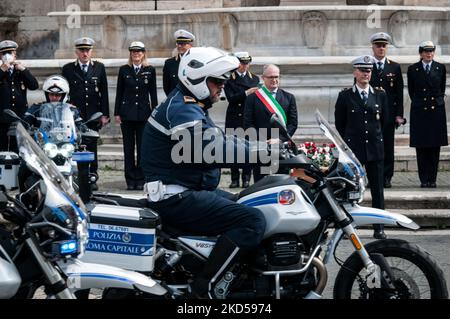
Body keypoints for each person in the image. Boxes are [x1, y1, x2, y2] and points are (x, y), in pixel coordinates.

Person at [141, 47, 267, 299]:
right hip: (177, 197)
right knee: (253, 221)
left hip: (186, 190)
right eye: (217, 81)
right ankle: (205, 287)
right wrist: (267, 155)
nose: (222, 87)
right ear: (197, 79)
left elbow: (220, 140)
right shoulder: (182, 109)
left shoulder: (190, 105)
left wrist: (262, 146)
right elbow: (210, 149)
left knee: (248, 200)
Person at [335, 55, 389, 239]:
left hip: (375, 150)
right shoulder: (345, 96)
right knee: (349, 190)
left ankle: (379, 227)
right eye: (362, 70)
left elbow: (385, 122)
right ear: (355, 72)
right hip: (354, 152)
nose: (366, 74)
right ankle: (347, 227)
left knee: (377, 190)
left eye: (369, 70)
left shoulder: (380, 95)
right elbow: (340, 124)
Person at [19, 75, 82, 192]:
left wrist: (84, 131)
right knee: (24, 166)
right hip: (43, 148)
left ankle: (85, 195)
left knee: (84, 167)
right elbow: (24, 122)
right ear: (46, 94)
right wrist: (24, 128)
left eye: (58, 95)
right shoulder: (36, 108)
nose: (54, 97)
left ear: (63, 96)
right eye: (51, 94)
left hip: (66, 147)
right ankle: (23, 196)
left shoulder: (72, 110)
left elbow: (81, 126)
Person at [62, 37, 110, 191]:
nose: (84, 53)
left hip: (93, 115)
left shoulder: (99, 68)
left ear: (91, 51)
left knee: (92, 146)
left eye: (87, 50)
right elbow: (64, 92)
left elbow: (104, 93)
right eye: (81, 50)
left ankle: (92, 176)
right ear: (76, 52)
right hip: (74, 115)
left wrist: (104, 114)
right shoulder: (68, 69)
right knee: (74, 146)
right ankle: (76, 176)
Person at [114, 41, 158, 191]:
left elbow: (153, 93)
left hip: (144, 115)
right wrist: (117, 113)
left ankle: (141, 178)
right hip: (127, 114)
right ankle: (130, 179)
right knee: (128, 149)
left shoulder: (150, 70)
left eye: (139, 51)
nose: (136, 54)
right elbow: (119, 92)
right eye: (133, 52)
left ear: (143, 53)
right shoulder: (124, 70)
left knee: (142, 148)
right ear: (130, 54)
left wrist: (154, 112)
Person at [244, 64, 298, 182]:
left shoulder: (289, 97)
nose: (274, 80)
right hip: (261, 147)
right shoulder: (252, 98)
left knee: (281, 183)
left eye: (277, 77)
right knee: (261, 184)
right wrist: (264, 141)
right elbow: (248, 124)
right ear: (263, 78)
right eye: (271, 77)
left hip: (281, 148)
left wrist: (279, 139)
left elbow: (293, 123)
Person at [407, 41, 448, 188]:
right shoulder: (413, 69)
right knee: (421, 147)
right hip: (420, 111)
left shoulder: (440, 68)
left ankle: (433, 178)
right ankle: (424, 179)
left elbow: (441, 88)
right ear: (421, 53)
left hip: (436, 111)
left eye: (431, 51)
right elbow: (412, 91)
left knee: (435, 147)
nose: (429, 54)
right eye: (426, 51)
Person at [369, 32, 405, 188]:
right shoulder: (367, 66)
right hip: (370, 113)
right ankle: (372, 177)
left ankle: (386, 177)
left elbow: (398, 93)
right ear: (373, 47)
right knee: (371, 146)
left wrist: (399, 115)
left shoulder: (394, 67)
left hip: (388, 115)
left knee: (388, 147)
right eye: (378, 46)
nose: (381, 48)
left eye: (383, 46)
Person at [224, 52, 260, 188]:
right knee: (232, 147)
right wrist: (247, 92)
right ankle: (234, 179)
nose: (245, 66)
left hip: (248, 117)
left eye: (247, 63)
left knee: (248, 147)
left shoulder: (254, 79)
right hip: (234, 117)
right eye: (242, 63)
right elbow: (231, 98)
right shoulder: (229, 79)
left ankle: (246, 178)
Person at [0, 40, 39, 152]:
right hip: (2, 118)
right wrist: (2, 69)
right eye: (4, 53)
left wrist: (24, 70)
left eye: (10, 53)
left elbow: (34, 85)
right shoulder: (0, 71)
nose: (7, 56)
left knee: (17, 149)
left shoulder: (20, 71)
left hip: (18, 117)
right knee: (1, 149)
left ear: (15, 55)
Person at [162, 29, 195, 96]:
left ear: (190, 45)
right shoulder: (169, 63)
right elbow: (166, 87)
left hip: (193, 103)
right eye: (178, 43)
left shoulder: (197, 62)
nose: (179, 46)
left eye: (183, 44)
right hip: (175, 102)